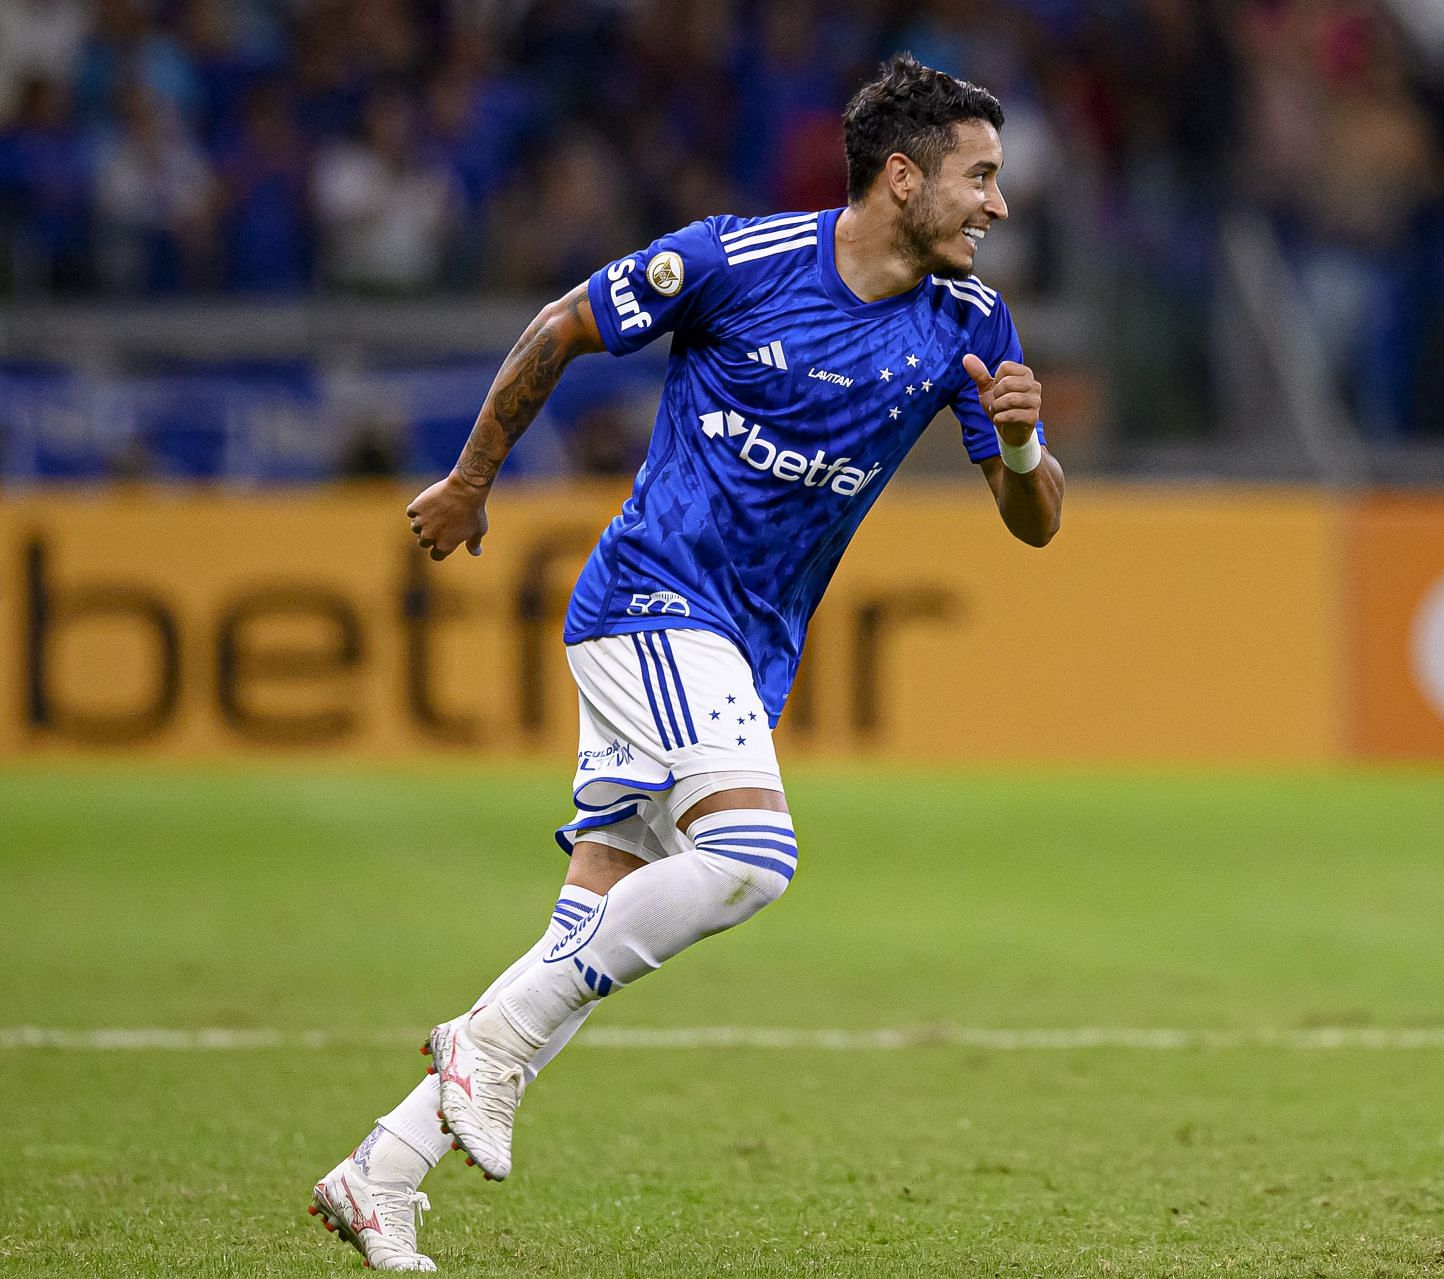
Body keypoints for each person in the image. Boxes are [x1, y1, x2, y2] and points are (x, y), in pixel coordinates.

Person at [307, 53, 1064, 1272]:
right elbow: (563, 325)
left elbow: (1033, 520)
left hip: (747, 648)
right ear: (902, 177)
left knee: (589, 928)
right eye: (980, 177)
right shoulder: (735, 259)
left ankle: (377, 1175)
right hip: (651, 606)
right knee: (755, 859)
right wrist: (471, 478)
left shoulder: (969, 324)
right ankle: (481, 1045)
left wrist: (1024, 449)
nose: (999, 204)